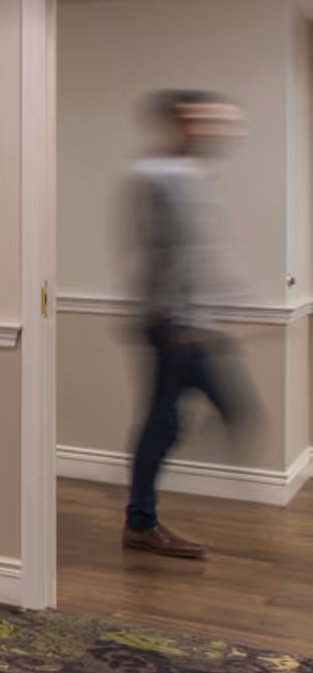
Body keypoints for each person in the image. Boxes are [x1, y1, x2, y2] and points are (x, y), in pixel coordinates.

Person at [122, 89, 248, 558]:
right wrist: (180, 321)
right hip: (171, 324)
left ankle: (140, 520)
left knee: (177, 420)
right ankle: (140, 523)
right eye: (211, 120)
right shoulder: (157, 176)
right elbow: (159, 255)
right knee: (165, 422)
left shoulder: (196, 176)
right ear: (182, 122)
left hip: (190, 322)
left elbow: (205, 253)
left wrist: (222, 313)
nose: (223, 130)